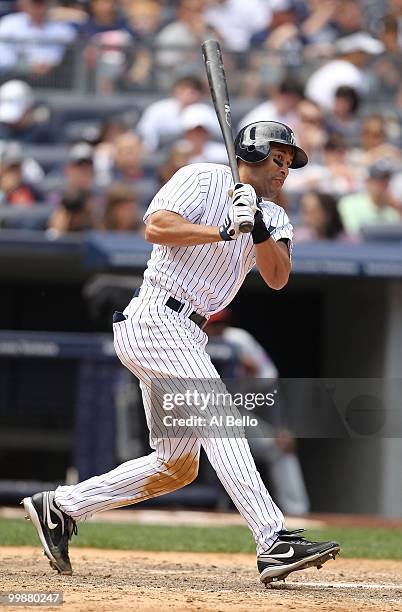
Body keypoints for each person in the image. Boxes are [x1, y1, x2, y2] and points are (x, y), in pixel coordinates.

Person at [22, 120, 340, 585]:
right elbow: (156, 227)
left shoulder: (274, 216)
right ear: (250, 154)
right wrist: (224, 230)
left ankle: (61, 507)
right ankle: (272, 539)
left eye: (289, 164)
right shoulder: (203, 177)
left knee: (175, 466)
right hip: (156, 317)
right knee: (221, 416)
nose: (284, 172)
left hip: (189, 333)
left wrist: (256, 230)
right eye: (277, 160)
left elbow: (278, 276)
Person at [205, 308, 310, 516]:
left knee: (280, 447)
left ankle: (298, 514)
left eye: (221, 324)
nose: (219, 329)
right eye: (213, 324)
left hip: (232, 413)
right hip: (186, 414)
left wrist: (280, 428)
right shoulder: (183, 339)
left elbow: (269, 382)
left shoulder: (239, 340)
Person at [0, 0, 76, 76]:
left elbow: (68, 58)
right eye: (35, 2)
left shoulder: (63, 29)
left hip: (54, 78)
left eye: (43, 3)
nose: (40, 7)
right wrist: (27, 66)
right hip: (16, 76)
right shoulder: (8, 24)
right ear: (23, 3)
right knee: (15, 87)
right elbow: (3, 58)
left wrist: (48, 65)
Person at [338, 159, 402, 235]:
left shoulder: (393, 209)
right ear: (367, 182)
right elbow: (354, 233)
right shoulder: (349, 203)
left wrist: (399, 210)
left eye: (387, 181)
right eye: (379, 180)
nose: (384, 185)